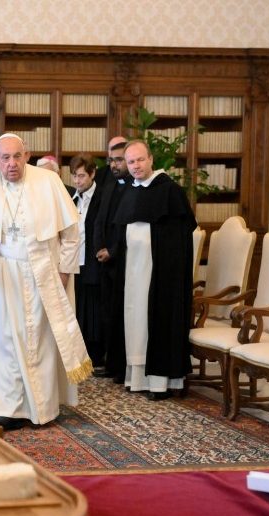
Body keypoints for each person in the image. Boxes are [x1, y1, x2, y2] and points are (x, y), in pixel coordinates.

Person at [0, 133, 91, 431]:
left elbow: (71, 233)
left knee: (40, 340)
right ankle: (7, 407)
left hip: (45, 270)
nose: (11, 164)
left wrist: (65, 271)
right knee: (4, 339)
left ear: (27, 155)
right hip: (3, 271)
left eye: (17, 156)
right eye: (5, 158)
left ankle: (42, 408)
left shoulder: (48, 182)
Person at [109, 140, 196, 400]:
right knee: (135, 320)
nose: (135, 166)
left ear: (151, 160)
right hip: (133, 272)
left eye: (140, 160)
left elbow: (178, 239)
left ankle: (159, 382)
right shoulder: (130, 191)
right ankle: (137, 377)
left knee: (155, 320)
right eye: (131, 161)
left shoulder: (169, 191)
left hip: (160, 274)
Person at [92, 136, 132, 382]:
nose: (115, 165)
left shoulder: (132, 187)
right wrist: (99, 247)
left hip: (122, 260)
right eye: (112, 160)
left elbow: (128, 227)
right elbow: (99, 219)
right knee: (107, 313)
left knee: (121, 314)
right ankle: (111, 362)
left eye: (119, 160)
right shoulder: (109, 183)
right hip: (104, 260)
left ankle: (121, 366)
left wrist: (113, 251)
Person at [68, 153, 105, 373]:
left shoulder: (102, 196)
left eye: (81, 176)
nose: (77, 181)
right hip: (76, 262)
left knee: (94, 313)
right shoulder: (72, 197)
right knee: (79, 309)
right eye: (74, 176)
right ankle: (80, 357)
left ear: (92, 174)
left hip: (94, 261)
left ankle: (96, 357)